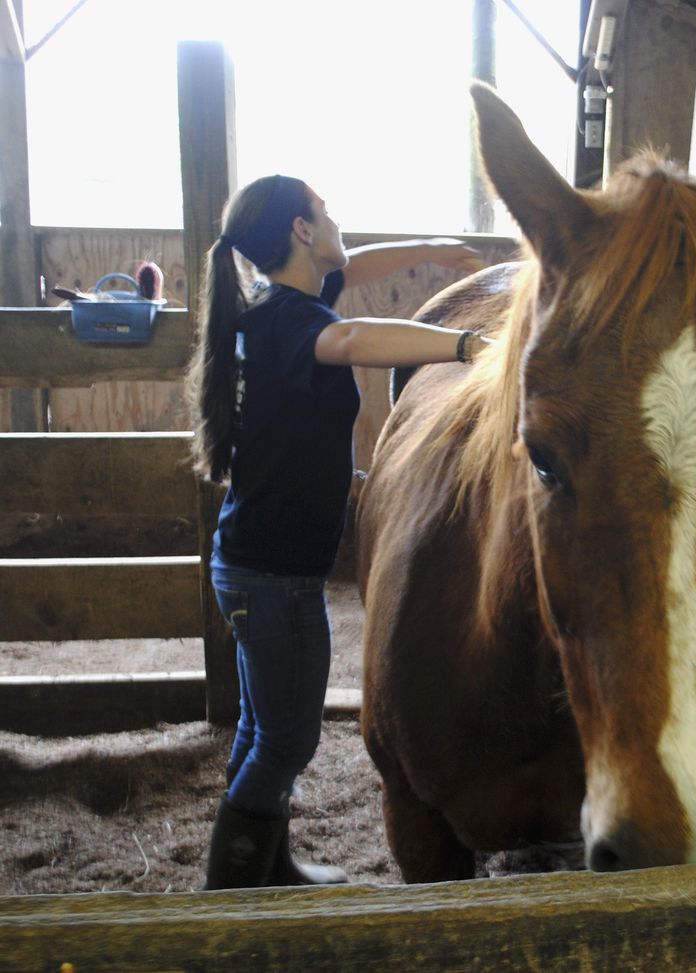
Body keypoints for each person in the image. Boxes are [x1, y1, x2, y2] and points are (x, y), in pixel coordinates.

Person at [185, 173, 491, 891]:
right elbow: (351, 336)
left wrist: (438, 252)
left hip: (255, 563)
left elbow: (358, 266)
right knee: (289, 736)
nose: (334, 222)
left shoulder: (274, 306)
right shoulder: (298, 324)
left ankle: (266, 864)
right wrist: (465, 345)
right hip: (275, 577)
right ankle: (230, 886)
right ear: (299, 230)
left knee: (265, 729)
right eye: (324, 213)